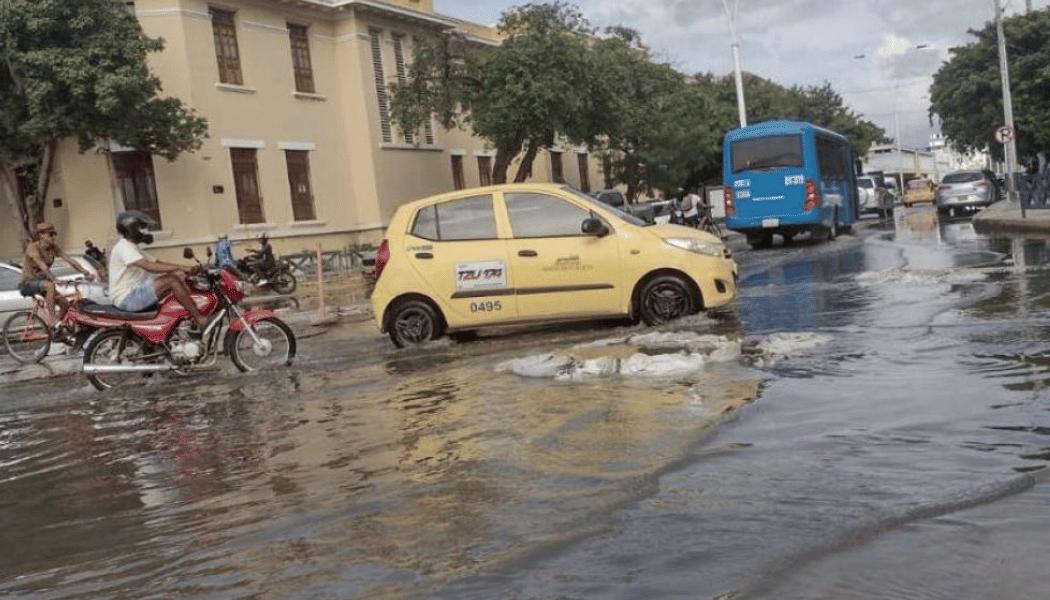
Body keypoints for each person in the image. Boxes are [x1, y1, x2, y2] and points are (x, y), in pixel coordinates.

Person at [108, 211, 208, 330]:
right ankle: (199, 318)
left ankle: (185, 319)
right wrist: (181, 268)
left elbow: (159, 263)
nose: (145, 231)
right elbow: (149, 266)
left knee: (178, 275)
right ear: (131, 229)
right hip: (126, 298)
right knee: (171, 280)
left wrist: (187, 269)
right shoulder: (124, 247)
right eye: (141, 227)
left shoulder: (134, 248)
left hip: (135, 293)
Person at [19, 222, 95, 327]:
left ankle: (54, 329)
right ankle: (52, 320)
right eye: (50, 234)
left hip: (42, 283)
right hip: (28, 283)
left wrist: (86, 272)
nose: (53, 237)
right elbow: (42, 265)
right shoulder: (33, 248)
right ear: (41, 235)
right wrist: (54, 279)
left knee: (65, 305)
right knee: (50, 286)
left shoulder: (53, 247)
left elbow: (69, 259)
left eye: (55, 234)